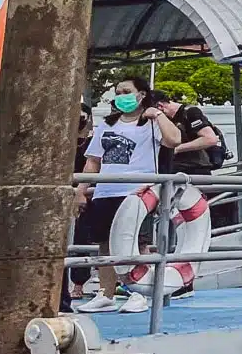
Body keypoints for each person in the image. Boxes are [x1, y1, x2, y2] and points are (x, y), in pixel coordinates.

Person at [74, 80, 181, 313]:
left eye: (127, 92)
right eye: (118, 93)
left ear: (141, 95)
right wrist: (81, 190)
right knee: (105, 244)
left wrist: (159, 116)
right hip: (105, 191)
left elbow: (174, 140)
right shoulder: (106, 125)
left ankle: (138, 292)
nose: (121, 96)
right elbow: (93, 161)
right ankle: (106, 293)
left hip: (137, 192)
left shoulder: (150, 123)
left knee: (138, 242)